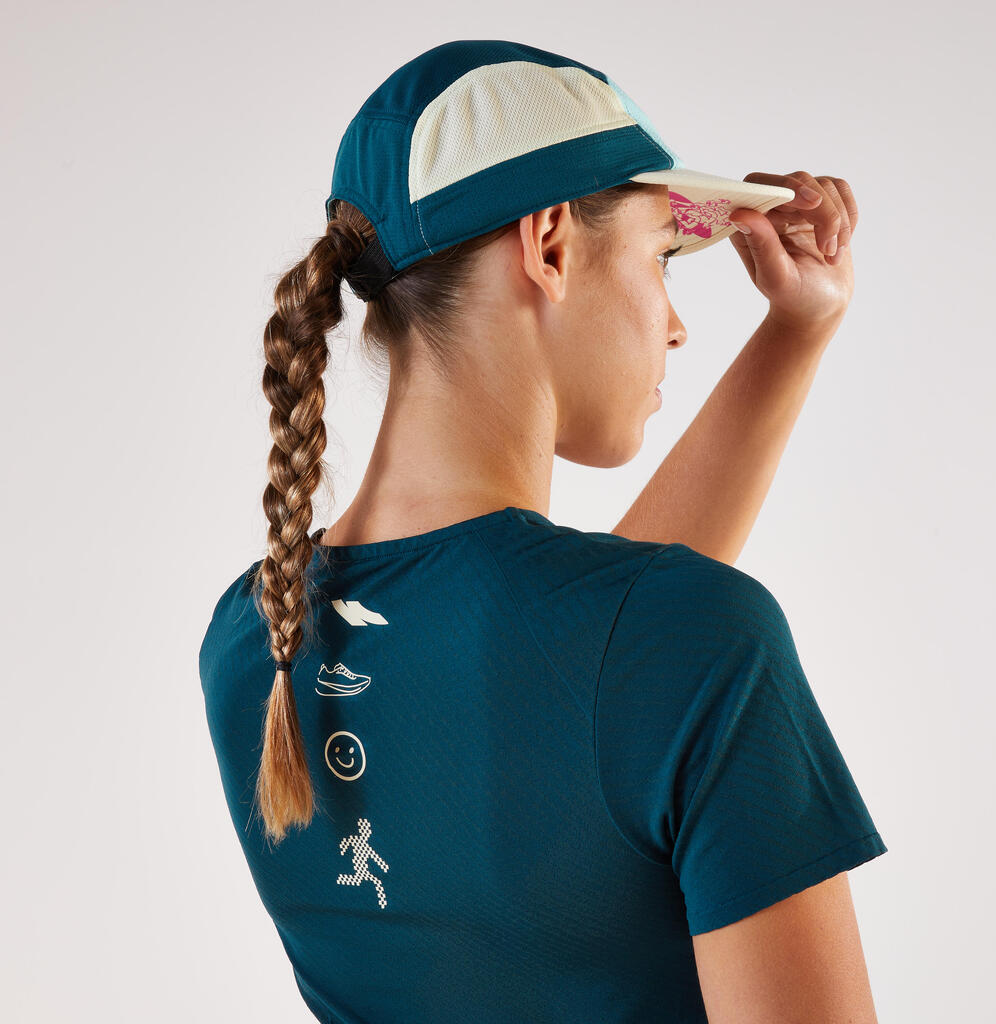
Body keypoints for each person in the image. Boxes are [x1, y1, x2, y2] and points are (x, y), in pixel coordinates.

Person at [199, 38, 886, 1024]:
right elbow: (625, 661)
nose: (677, 325)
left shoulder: (249, 645)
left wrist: (794, 332)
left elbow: (593, 664)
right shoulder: (689, 641)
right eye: (661, 258)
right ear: (551, 245)